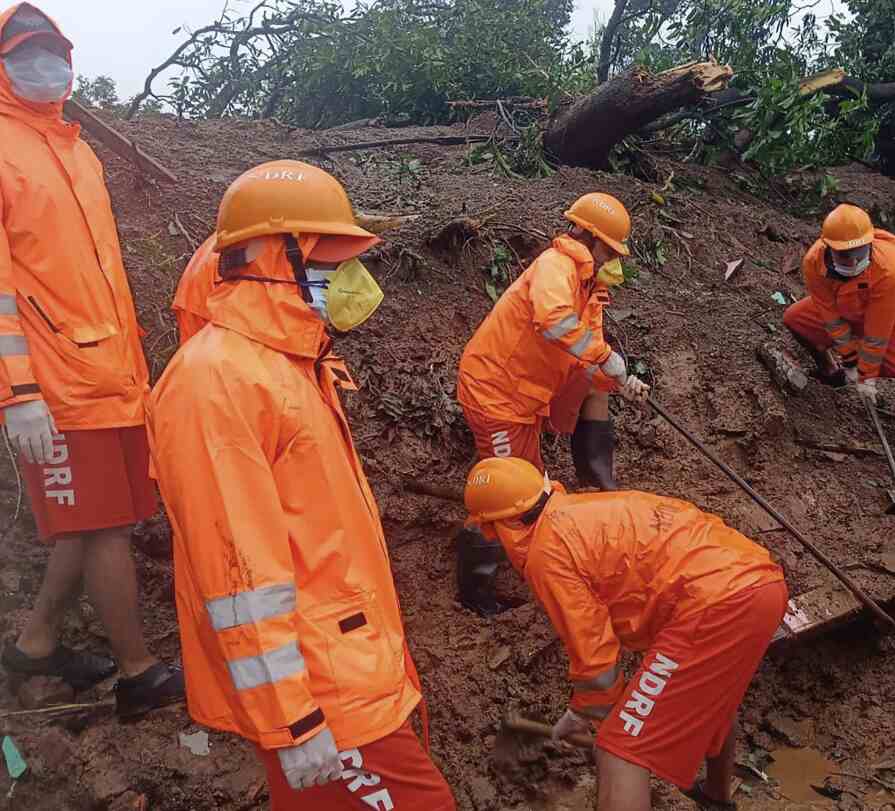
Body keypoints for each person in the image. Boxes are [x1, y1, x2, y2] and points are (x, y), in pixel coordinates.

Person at [147, 160, 455, 809]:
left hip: (348, 666)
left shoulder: (291, 365)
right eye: (331, 253)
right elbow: (235, 569)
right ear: (264, 253)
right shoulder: (218, 380)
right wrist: (292, 716)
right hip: (321, 689)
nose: (349, 272)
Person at [0, 2, 184, 717]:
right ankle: (138, 674)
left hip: (110, 378)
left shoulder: (78, 151)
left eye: (53, 52)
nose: (44, 65)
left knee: (92, 520)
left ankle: (36, 643)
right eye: (25, 53)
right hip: (55, 390)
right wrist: (18, 395)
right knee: (104, 525)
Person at [463, 456, 788, 811]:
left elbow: (595, 658)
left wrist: (589, 712)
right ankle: (715, 798)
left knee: (619, 749)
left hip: (715, 602)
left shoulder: (547, 551)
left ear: (495, 529)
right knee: (708, 700)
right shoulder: (580, 511)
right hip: (760, 583)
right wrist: (590, 708)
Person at [454, 192, 651, 615]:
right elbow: (554, 320)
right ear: (589, 237)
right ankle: (476, 590)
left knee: (531, 480)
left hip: (523, 395)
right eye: (610, 250)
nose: (613, 260)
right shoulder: (555, 267)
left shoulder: (589, 288)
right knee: (513, 490)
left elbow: (586, 356)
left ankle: (595, 487)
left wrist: (620, 380)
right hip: (497, 393)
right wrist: (604, 357)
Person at [782, 203, 895, 475]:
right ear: (829, 248)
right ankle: (832, 371)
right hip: (849, 301)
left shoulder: (890, 266)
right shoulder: (813, 263)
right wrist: (850, 362)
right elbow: (830, 317)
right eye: (844, 254)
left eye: (858, 252)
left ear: (870, 243)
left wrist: (867, 377)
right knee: (796, 318)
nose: (852, 260)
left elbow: (878, 332)